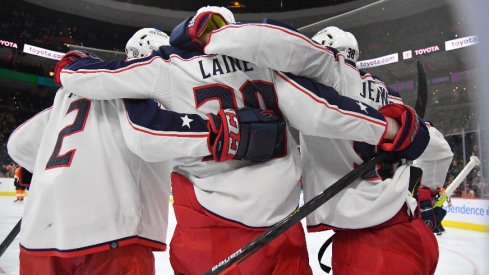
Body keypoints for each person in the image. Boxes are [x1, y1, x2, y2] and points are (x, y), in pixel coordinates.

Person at [55, 11, 428, 274]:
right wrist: (387, 128)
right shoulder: (267, 65)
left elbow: (114, 100)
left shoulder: (166, 67)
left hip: (211, 236)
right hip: (282, 232)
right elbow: (318, 109)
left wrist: (70, 65)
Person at [6, 28, 278, 275]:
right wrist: (231, 134)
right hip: (112, 232)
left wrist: (56, 177)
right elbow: (149, 136)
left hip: (39, 235)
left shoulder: (67, 97)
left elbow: (18, 144)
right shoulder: (149, 94)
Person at [192, 20, 442, 274]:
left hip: (370, 248)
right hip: (413, 231)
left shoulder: (330, 75)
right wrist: (425, 198)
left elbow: (309, 107)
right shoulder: (391, 95)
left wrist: (214, 39)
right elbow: (438, 147)